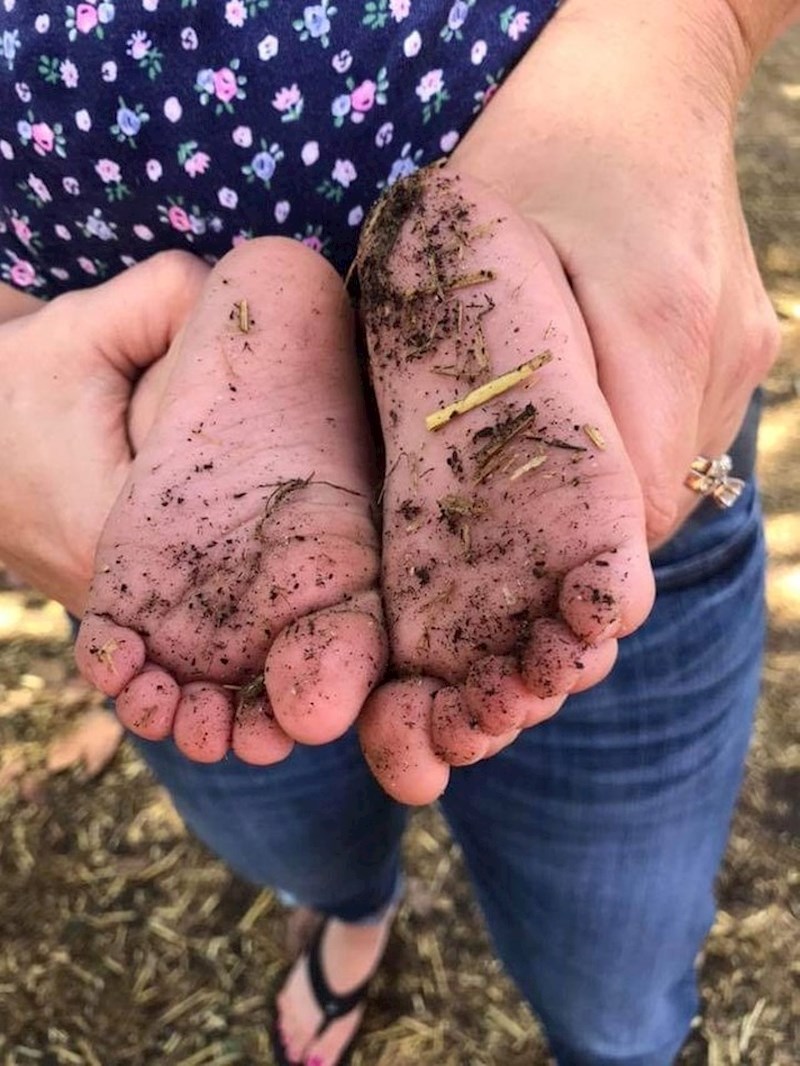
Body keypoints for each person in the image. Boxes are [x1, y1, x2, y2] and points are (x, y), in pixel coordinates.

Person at [0, 3, 794, 1064]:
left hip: (159, 407)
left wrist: (665, 49)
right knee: (587, 947)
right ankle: (381, 919)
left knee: (295, 783)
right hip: (115, 467)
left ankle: (222, 356)